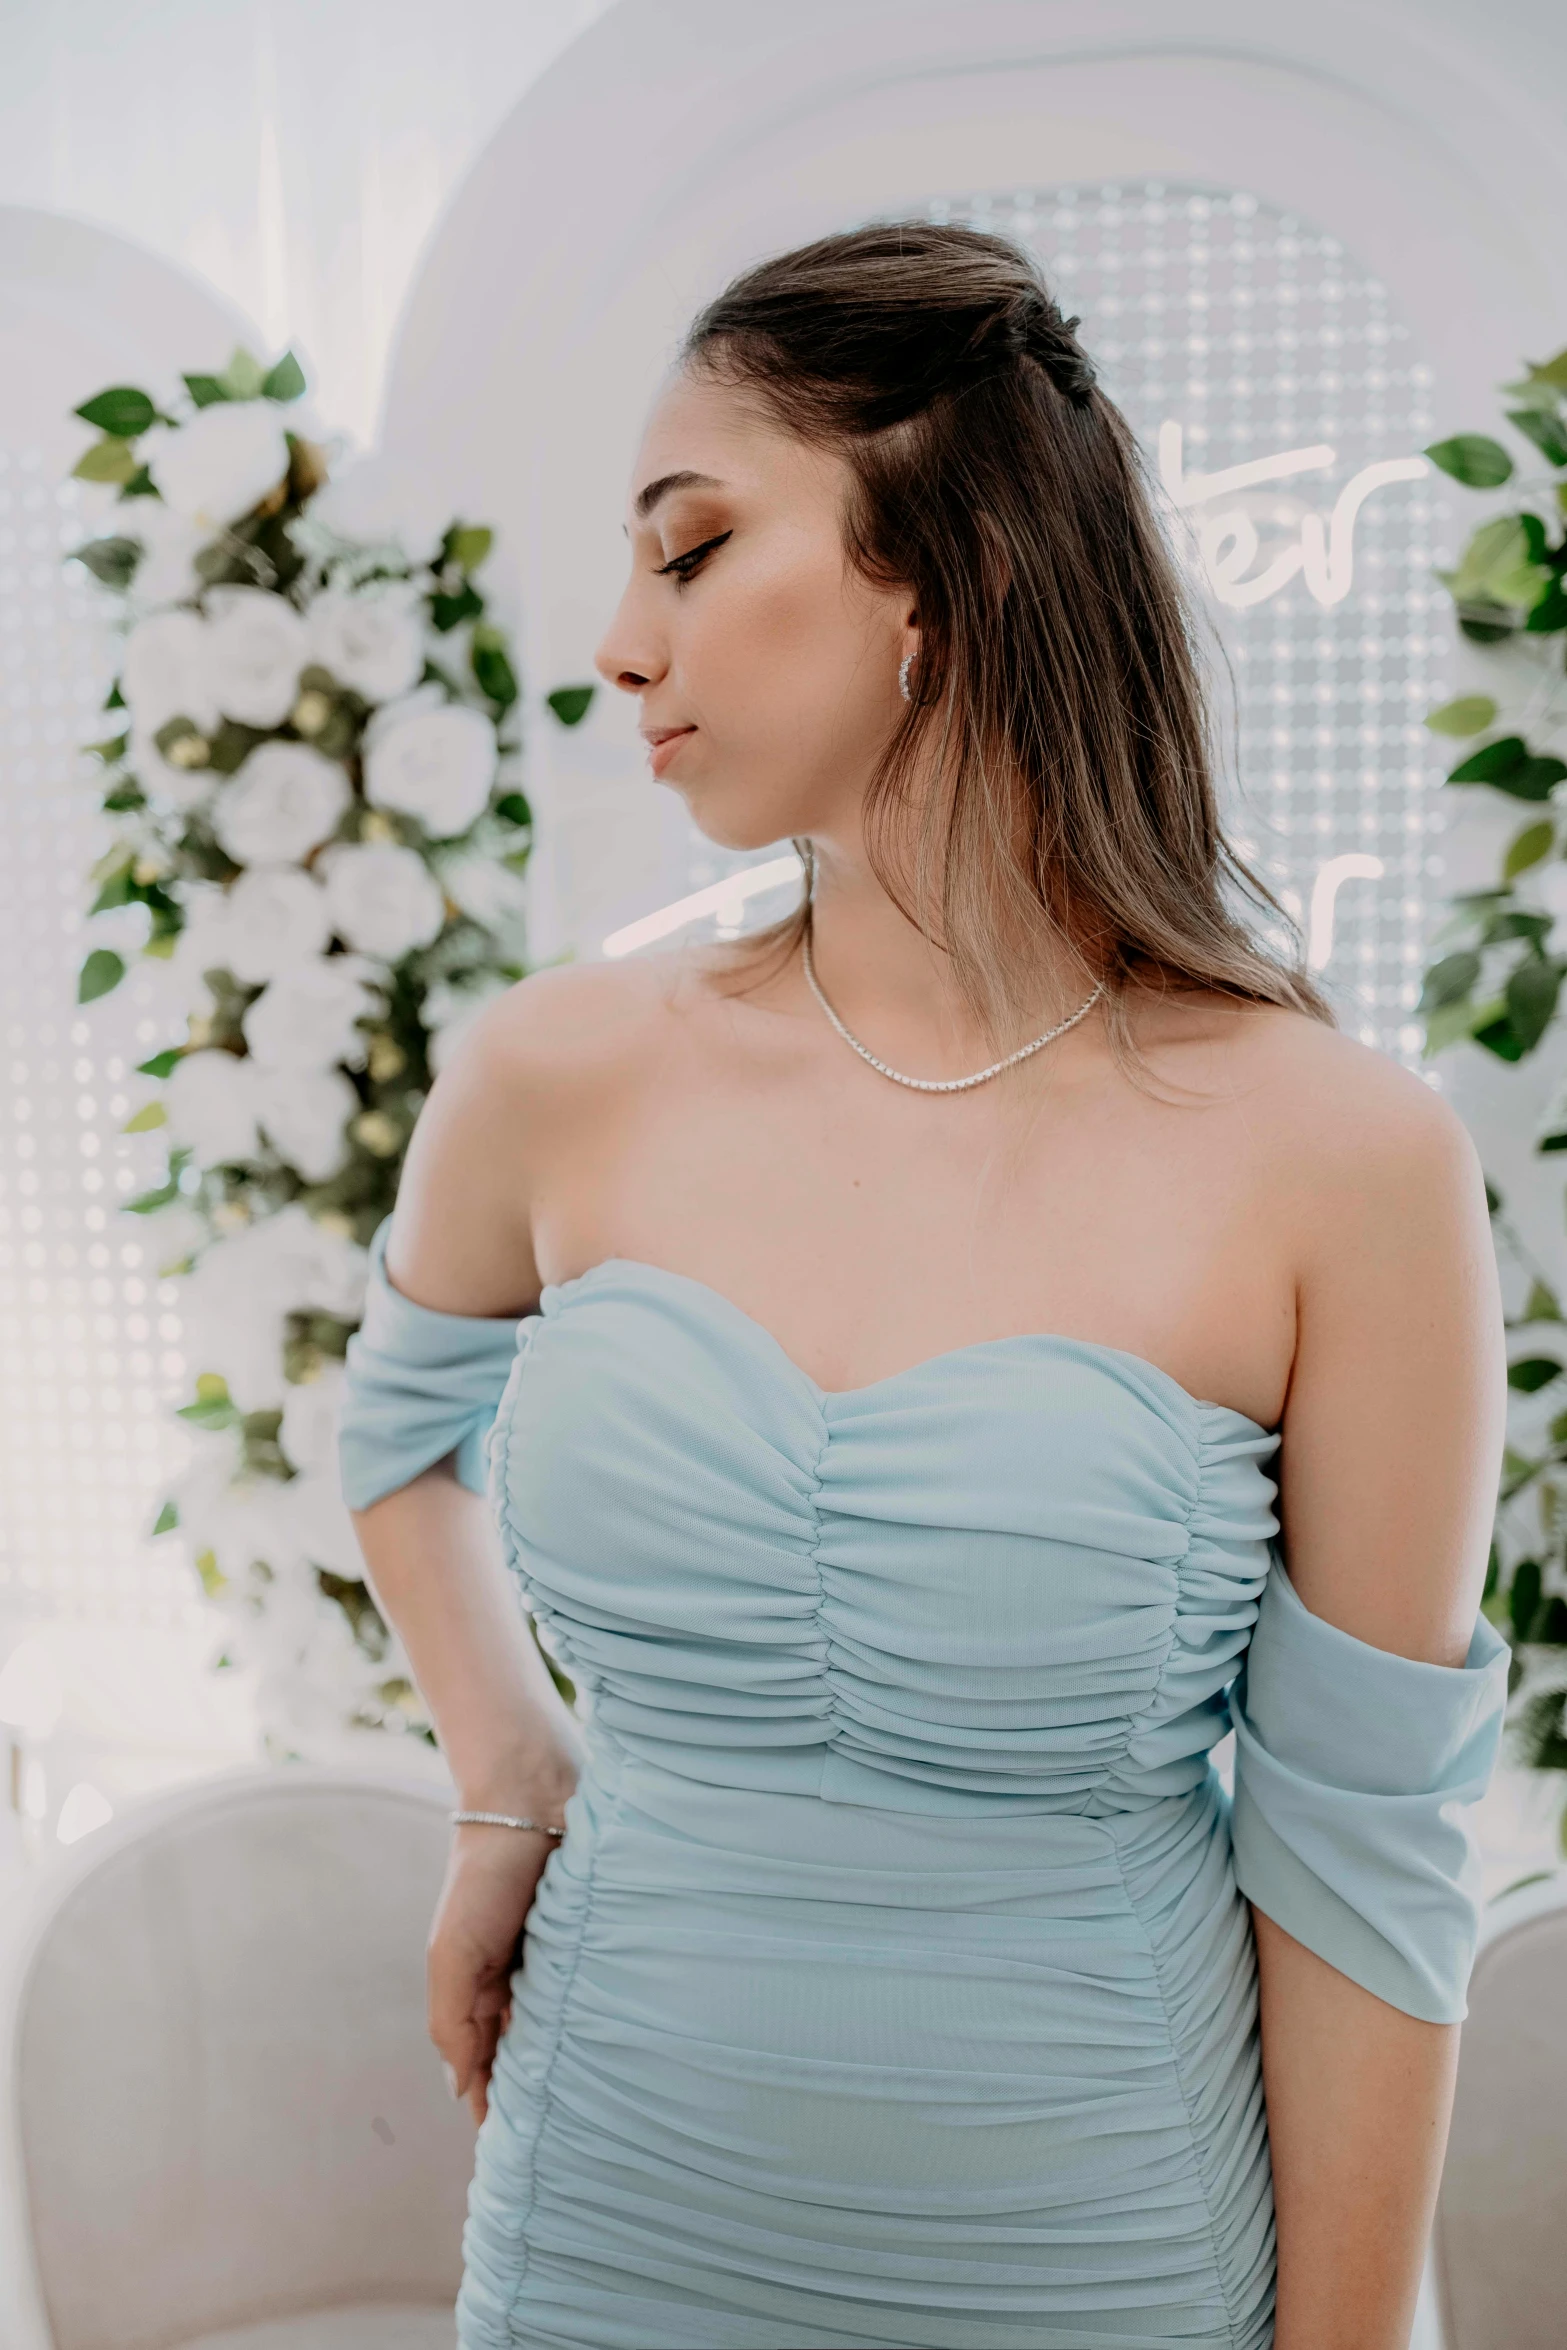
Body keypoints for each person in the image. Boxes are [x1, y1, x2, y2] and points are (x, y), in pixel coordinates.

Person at [338, 222, 1510, 2350]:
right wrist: (507, 1770)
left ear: (939, 578)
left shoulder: (1350, 1162)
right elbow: (396, 1424)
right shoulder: (553, 1075)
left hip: (1100, 2249)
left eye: (689, 549)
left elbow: (1362, 1870)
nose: (619, 641)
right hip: (608, 2217)